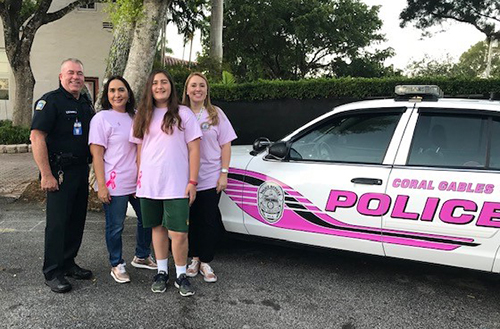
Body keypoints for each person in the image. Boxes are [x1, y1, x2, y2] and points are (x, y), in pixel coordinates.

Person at [130, 69, 202, 296]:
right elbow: (140, 149)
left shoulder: (184, 114)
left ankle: (181, 275)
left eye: (164, 82)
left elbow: (194, 149)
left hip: (177, 184)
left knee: (179, 233)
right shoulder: (143, 113)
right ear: (149, 88)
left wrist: (192, 181)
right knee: (157, 228)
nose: (159, 86)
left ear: (171, 86)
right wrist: (139, 178)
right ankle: (162, 272)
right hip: (150, 184)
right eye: (155, 83)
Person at [30, 58, 94, 293]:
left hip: (80, 170)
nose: (75, 77)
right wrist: (46, 174)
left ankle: (68, 263)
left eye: (79, 73)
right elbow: (37, 137)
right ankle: (52, 271)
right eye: (70, 73)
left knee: (76, 220)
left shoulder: (85, 103)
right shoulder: (50, 101)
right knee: (57, 224)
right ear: (61, 76)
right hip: (58, 172)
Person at [88, 76, 157, 284]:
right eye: (112, 91)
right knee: (116, 225)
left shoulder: (137, 116)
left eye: (121, 90)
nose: (117, 94)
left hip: (138, 181)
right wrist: (101, 185)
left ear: (128, 93)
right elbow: (97, 155)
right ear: (107, 95)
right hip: (113, 183)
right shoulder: (101, 119)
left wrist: (141, 180)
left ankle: (142, 255)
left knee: (147, 220)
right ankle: (116, 263)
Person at [182, 72, 237, 283]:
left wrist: (224, 173)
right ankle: (194, 258)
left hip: (211, 177)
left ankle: (205, 261)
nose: (198, 89)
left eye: (202, 85)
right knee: (191, 220)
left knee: (208, 220)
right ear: (187, 90)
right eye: (194, 85)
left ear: (207, 90)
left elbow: (226, 144)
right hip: (186, 179)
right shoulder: (180, 113)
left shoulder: (216, 113)